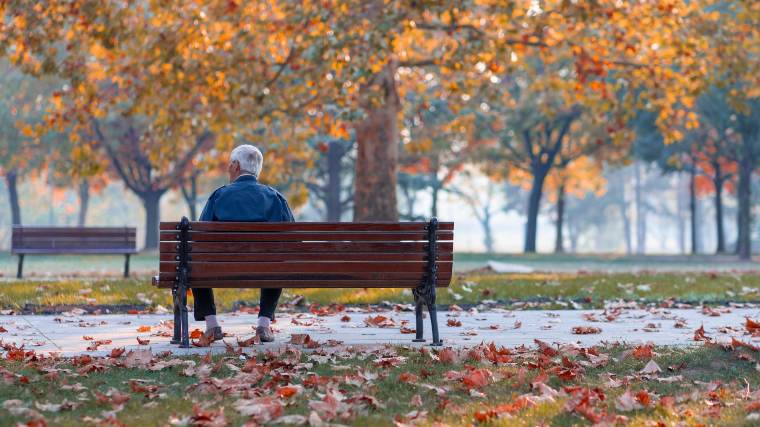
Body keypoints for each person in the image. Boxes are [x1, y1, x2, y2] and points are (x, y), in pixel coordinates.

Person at [193, 144, 294, 343]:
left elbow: (200, 239)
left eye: (230, 164)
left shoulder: (219, 196)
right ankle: (263, 325)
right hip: (267, 268)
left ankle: (212, 325)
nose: (228, 168)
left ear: (236, 166)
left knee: (194, 264)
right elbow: (292, 240)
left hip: (220, 269)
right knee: (276, 263)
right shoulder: (275, 198)